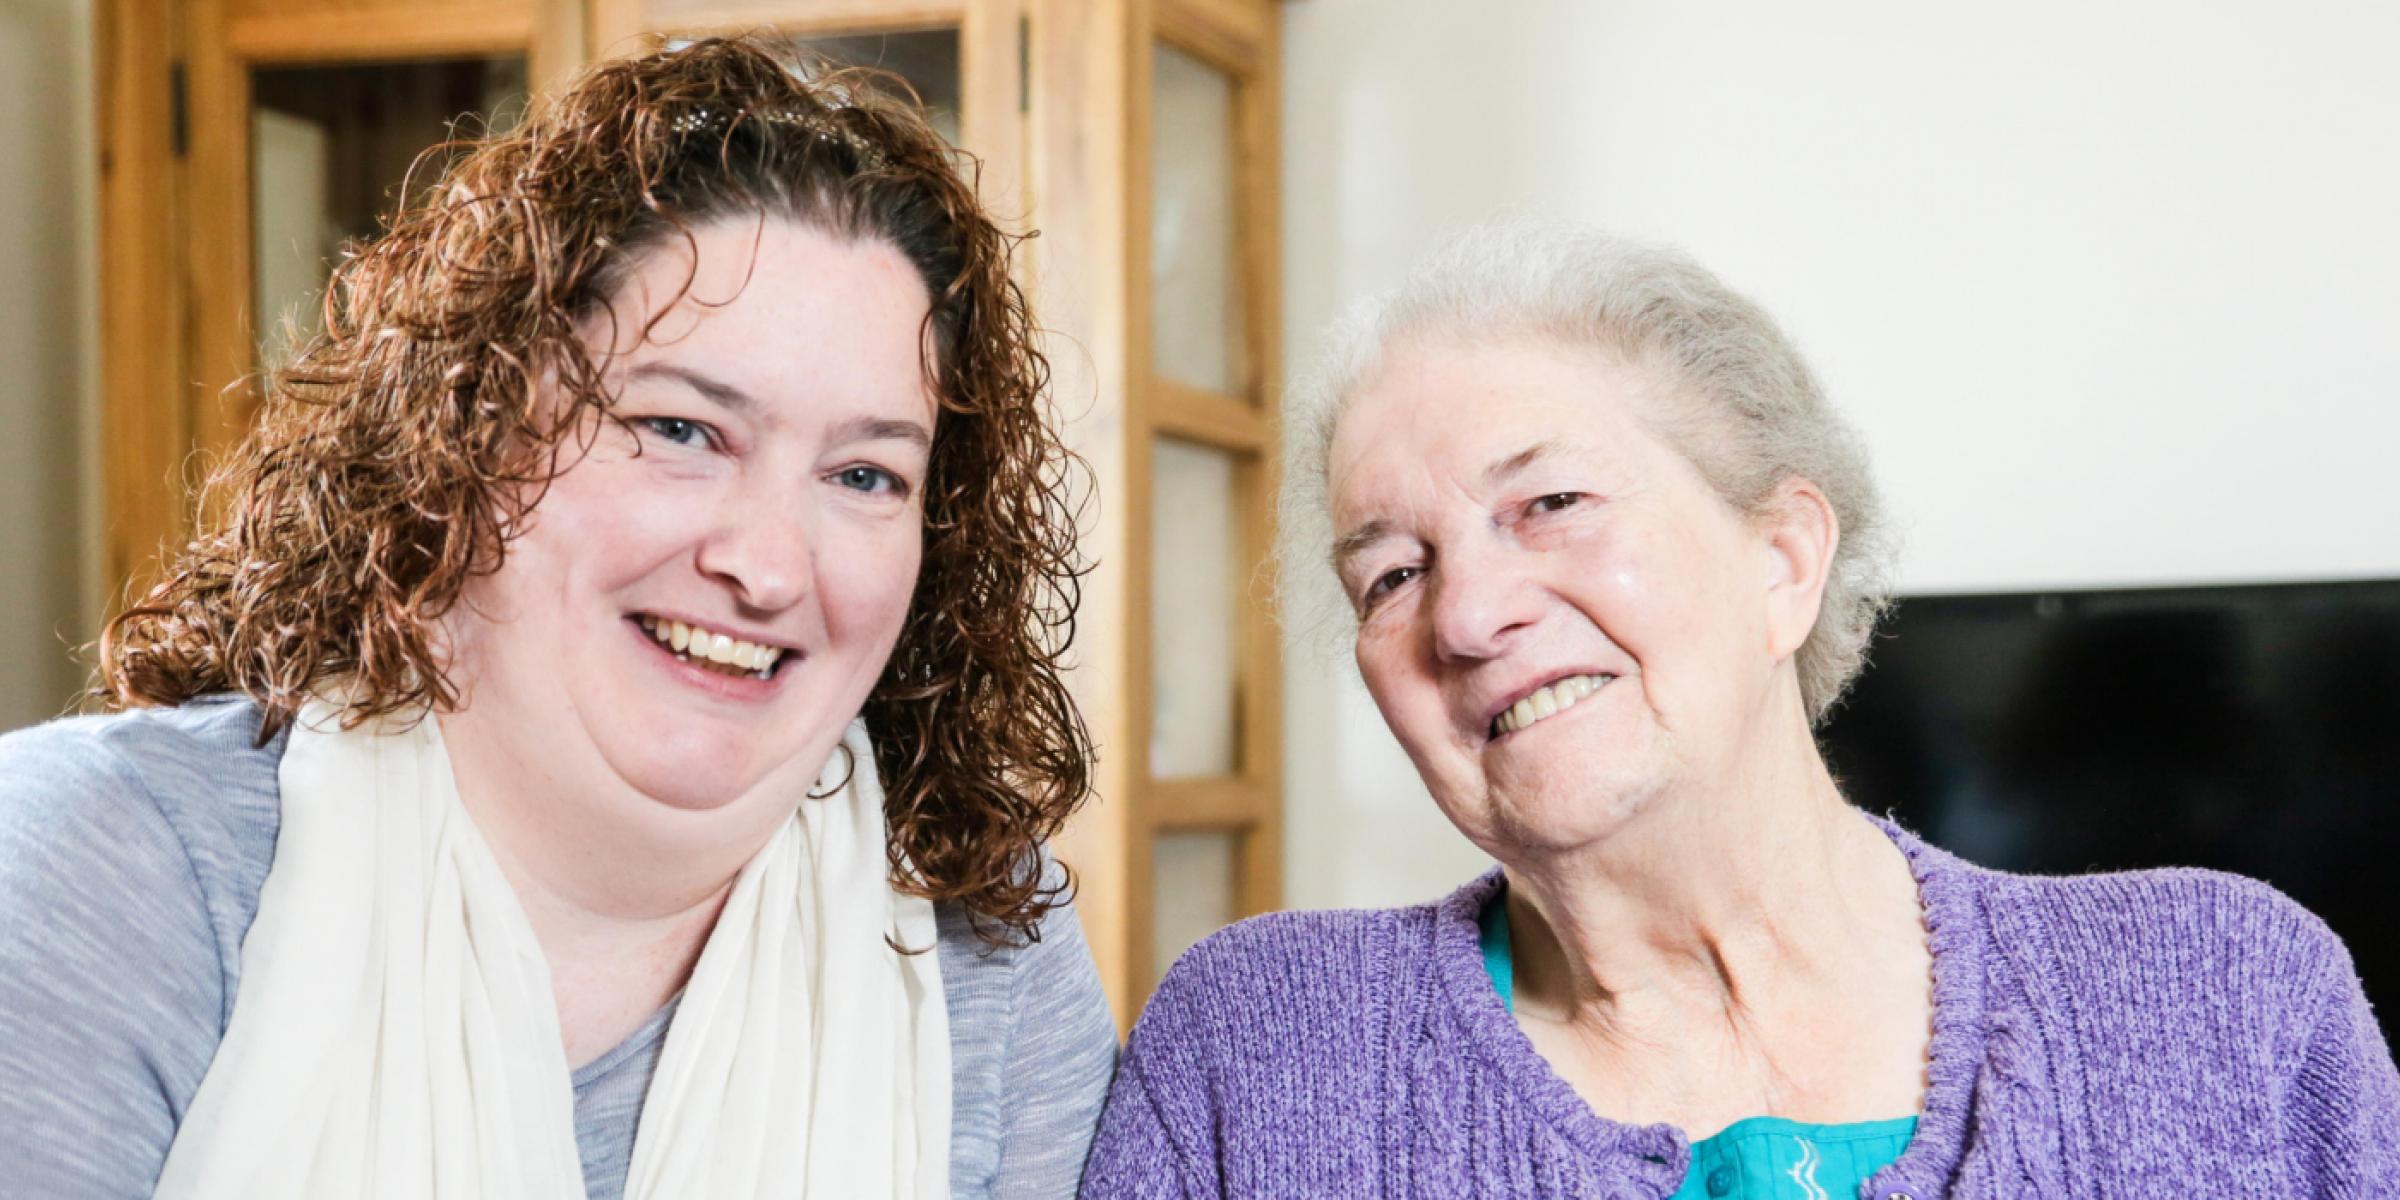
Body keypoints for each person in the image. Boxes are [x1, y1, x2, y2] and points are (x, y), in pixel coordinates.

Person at [0, 37, 1114, 1199]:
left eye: (866, 476)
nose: (769, 566)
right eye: (681, 430)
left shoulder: (989, 970)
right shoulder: (109, 872)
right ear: (468, 428)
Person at [1082, 221, 2400, 1197]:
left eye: (1551, 503)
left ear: (1782, 558)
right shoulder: (1258, 1055)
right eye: (1391, 574)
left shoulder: (2230, 1002)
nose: (1468, 616)